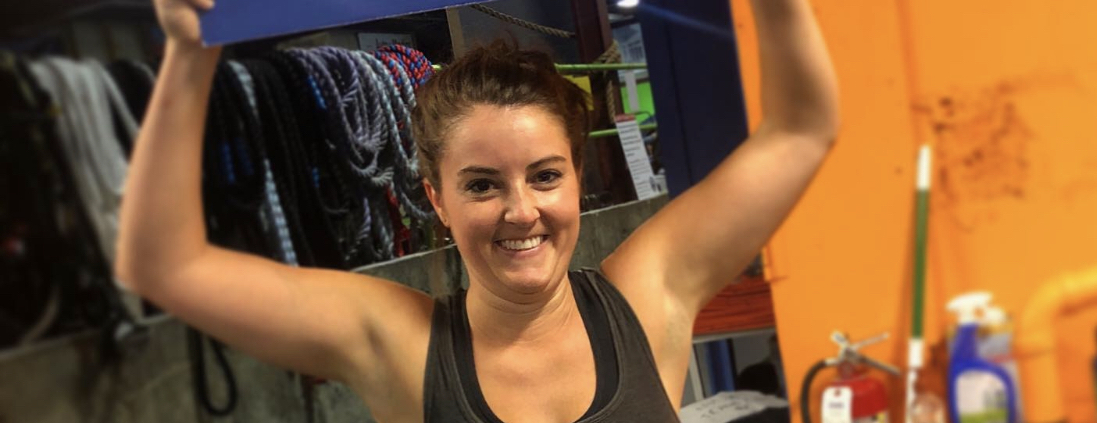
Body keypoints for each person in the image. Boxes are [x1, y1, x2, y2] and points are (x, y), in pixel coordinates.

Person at [115, 0, 838, 421]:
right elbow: (163, 264)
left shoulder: (648, 294)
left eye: (545, 176)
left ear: (576, 177)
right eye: (483, 185)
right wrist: (189, 52)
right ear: (437, 196)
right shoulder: (397, 343)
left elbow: (802, 129)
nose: (521, 211)